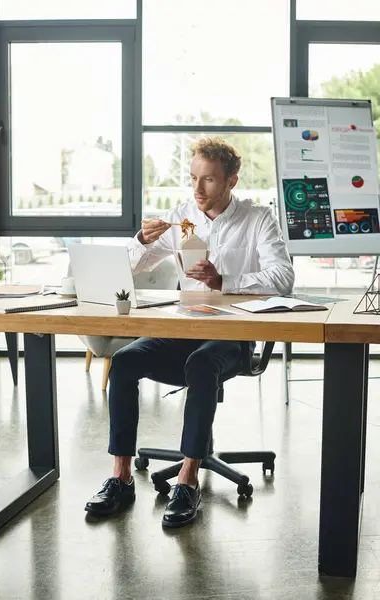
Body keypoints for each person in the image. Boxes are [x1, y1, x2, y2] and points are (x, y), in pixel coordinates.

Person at [85, 137, 294, 528]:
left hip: (233, 338)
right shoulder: (183, 214)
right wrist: (141, 240)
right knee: (126, 360)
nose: (198, 190)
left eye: (210, 181)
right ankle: (121, 476)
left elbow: (283, 278)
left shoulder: (258, 219)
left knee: (201, 364)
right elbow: (134, 266)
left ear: (232, 181)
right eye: (193, 178)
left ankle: (188, 478)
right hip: (183, 329)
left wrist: (224, 279)